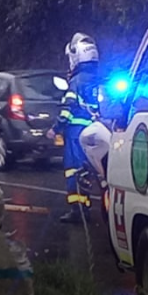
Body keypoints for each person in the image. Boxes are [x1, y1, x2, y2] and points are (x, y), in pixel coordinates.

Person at [48, 33, 103, 223]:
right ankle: (98, 206)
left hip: (76, 133)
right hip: (99, 131)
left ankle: (78, 211)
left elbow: (67, 109)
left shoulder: (76, 82)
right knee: (96, 171)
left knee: (74, 170)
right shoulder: (99, 79)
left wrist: (55, 129)